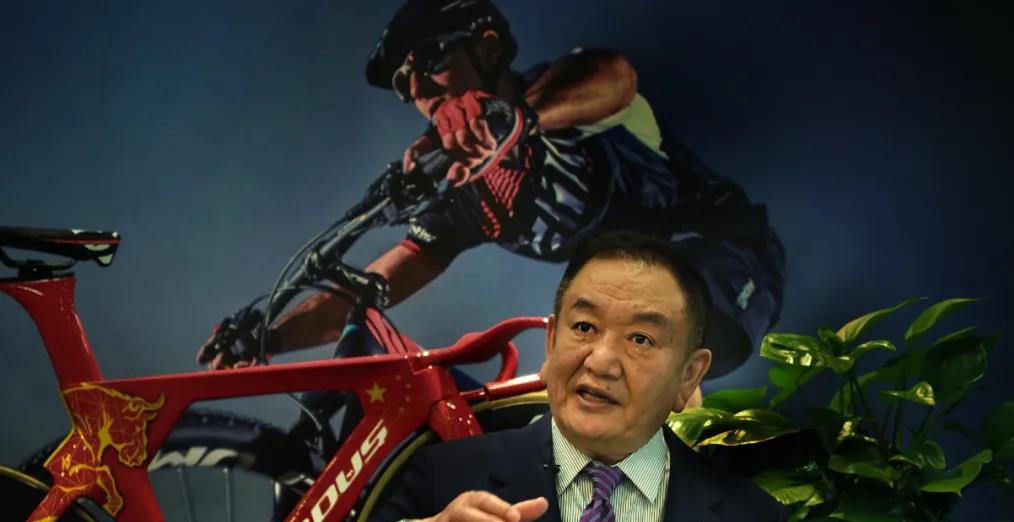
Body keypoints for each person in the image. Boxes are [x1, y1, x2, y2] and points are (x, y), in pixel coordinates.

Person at [198, 0, 784, 382]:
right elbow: (375, 284)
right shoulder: (468, 192)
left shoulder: (569, 97)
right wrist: (269, 336)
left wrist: (513, 117)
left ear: (487, 45)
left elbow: (614, 77)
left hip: (727, 266)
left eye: (430, 59)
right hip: (621, 315)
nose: (418, 87)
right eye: (404, 82)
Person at [289, 230, 795, 522]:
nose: (601, 360)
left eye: (640, 338)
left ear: (689, 376)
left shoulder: (750, 521)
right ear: (551, 342)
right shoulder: (449, 475)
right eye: (584, 327)